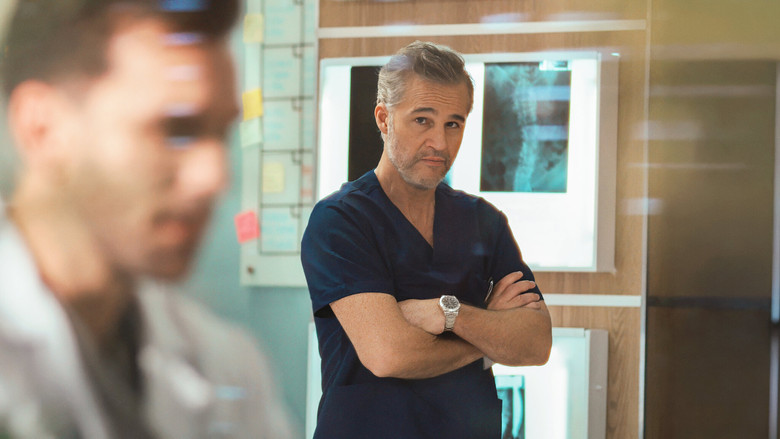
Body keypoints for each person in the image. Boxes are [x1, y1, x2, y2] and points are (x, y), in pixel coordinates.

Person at [0, 1, 294, 438]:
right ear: (42, 128)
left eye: (220, 133)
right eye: (175, 131)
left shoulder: (227, 367)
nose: (215, 177)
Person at [301, 41, 553, 438]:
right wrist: (489, 336)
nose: (440, 142)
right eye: (422, 120)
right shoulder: (341, 221)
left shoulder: (483, 221)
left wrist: (448, 313)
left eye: (453, 123)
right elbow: (389, 354)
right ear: (384, 119)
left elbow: (536, 345)